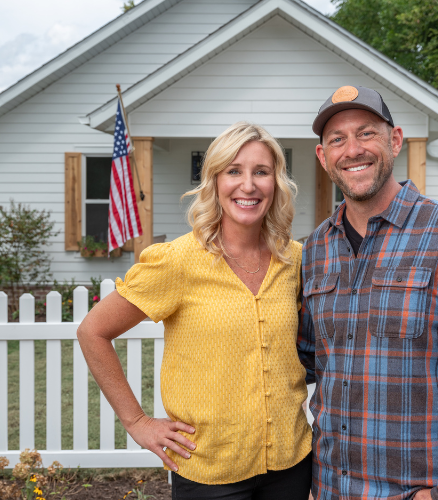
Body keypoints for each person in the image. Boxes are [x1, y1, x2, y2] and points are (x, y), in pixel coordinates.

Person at [298, 86, 438, 500]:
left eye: (366, 133)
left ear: (394, 140)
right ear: (323, 157)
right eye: (337, 140)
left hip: (415, 491)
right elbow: (304, 363)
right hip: (328, 488)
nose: (352, 150)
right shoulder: (315, 249)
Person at [77, 122, 313, 499]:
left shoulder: (296, 260)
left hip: (291, 462)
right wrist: (137, 422)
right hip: (209, 470)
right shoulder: (177, 261)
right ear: (214, 181)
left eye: (261, 172)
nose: (248, 185)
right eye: (233, 171)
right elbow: (93, 331)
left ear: (276, 183)